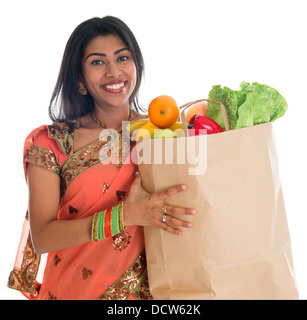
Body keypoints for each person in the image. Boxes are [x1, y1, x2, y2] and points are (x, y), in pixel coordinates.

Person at [7, 16, 196, 300]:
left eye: (122, 58)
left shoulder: (164, 135)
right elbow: (43, 237)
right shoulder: (52, 143)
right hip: (73, 291)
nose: (113, 72)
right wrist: (126, 215)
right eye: (97, 62)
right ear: (79, 76)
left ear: (137, 66)